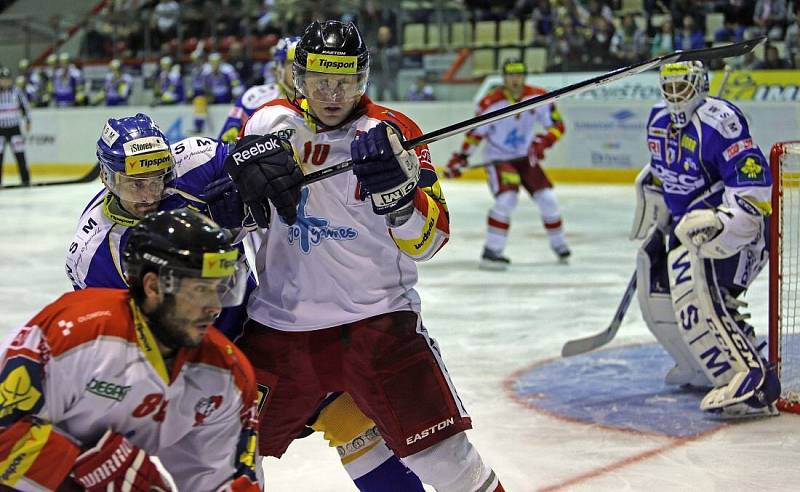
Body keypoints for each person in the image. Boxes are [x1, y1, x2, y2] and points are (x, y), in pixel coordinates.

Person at [215, 20, 504, 492]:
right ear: (300, 79)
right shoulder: (268, 123)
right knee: (227, 452)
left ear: (363, 79)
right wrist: (235, 202)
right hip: (280, 327)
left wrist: (400, 200)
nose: (332, 93)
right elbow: (243, 221)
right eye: (320, 80)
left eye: (345, 81)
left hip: (379, 323)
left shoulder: (393, 132)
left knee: (447, 461)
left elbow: (430, 242)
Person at [69, 113, 426, 491]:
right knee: (229, 461)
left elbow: (253, 156)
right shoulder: (94, 256)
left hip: (257, 328)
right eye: (134, 183)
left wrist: (260, 160)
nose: (149, 194)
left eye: (157, 178)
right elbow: (126, 342)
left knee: (349, 420)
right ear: (107, 178)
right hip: (194, 366)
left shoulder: (195, 160)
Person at [0, 207, 261, 491]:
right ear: (153, 286)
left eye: (220, 288)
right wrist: (82, 477)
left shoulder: (227, 376)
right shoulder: (76, 334)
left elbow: (229, 481)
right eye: (200, 290)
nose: (214, 307)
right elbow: (5, 436)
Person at [630, 61, 780, 418]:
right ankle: (704, 365)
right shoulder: (657, 120)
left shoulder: (721, 123)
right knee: (666, 294)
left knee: (713, 294)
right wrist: (660, 205)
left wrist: (723, 223)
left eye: (682, 87)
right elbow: (665, 171)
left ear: (699, 85)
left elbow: (754, 183)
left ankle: (756, 381)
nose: (675, 95)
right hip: (686, 227)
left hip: (738, 229)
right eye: (669, 87)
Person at [445, 58, 570, 269]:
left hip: (525, 157)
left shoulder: (539, 97)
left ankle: (560, 246)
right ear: (504, 78)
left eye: (519, 74)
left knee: (548, 199)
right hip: (499, 159)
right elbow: (475, 135)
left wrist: (542, 142)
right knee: (508, 198)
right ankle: (492, 251)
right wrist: (461, 158)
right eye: (511, 75)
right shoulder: (490, 103)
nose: (515, 79)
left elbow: (558, 125)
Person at [218, 36, 300, 144]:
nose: (302, 71)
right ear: (279, 69)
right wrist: (233, 130)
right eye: (294, 64)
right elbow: (223, 145)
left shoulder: (322, 101)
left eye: (306, 65)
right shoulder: (254, 98)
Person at [0, 66, 31, 187]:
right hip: (0, 130)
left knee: (20, 156)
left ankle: (26, 180)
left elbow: (25, 108)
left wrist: (28, 121)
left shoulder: (17, 92)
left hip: (14, 128)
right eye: (2, 79)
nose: (5, 81)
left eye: (7, 79)